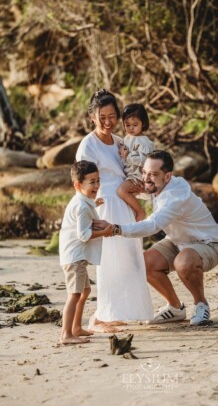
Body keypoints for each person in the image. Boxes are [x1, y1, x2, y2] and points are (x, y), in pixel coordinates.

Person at [96, 150, 218, 326]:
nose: (146, 178)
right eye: (144, 172)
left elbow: (151, 226)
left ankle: (201, 304)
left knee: (183, 262)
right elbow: (128, 189)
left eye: (153, 174)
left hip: (208, 244)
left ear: (168, 176)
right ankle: (175, 308)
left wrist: (116, 229)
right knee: (145, 263)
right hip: (178, 241)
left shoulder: (175, 196)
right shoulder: (157, 185)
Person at [76, 89, 153, 330]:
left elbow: (132, 169)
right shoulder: (87, 145)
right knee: (108, 261)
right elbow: (82, 182)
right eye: (103, 117)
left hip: (125, 204)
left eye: (112, 116)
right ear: (92, 117)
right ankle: (100, 315)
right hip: (104, 204)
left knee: (129, 259)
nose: (108, 122)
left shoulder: (122, 141)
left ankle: (118, 311)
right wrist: (89, 211)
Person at [59, 160, 113, 344]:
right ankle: (66, 334)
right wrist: (105, 232)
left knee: (85, 291)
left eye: (98, 181)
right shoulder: (82, 206)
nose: (96, 186)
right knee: (74, 294)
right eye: (92, 182)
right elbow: (83, 235)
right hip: (74, 257)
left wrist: (94, 204)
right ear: (78, 184)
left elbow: (83, 216)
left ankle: (76, 327)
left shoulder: (83, 202)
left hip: (76, 256)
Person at [117, 103, 155, 222]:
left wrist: (128, 155)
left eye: (135, 125)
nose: (131, 128)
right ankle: (134, 213)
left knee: (122, 191)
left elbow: (145, 161)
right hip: (129, 174)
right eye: (127, 125)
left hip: (138, 176)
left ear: (143, 123)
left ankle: (140, 212)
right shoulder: (127, 138)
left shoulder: (144, 142)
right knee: (127, 196)